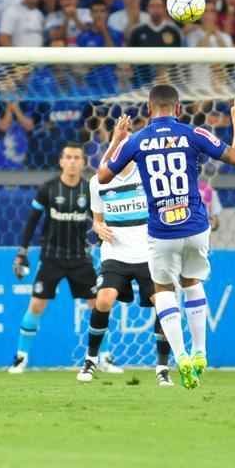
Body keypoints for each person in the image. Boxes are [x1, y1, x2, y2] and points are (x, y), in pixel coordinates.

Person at [97, 85, 235, 389]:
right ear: (178, 109)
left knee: (164, 288)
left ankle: (181, 358)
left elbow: (102, 176)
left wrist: (116, 141)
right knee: (193, 282)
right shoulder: (195, 133)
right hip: (195, 226)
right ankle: (201, 350)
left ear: (149, 110)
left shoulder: (137, 140)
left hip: (161, 230)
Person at [9, 143, 108, 374]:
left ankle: (104, 357)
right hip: (51, 257)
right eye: (68, 157)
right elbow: (32, 222)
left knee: (98, 305)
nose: (73, 161)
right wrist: (22, 251)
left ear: (83, 162)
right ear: (61, 161)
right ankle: (21, 357)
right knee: (36, 304)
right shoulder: (48, 189)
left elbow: (100, 223)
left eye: (77, 157)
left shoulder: (89, 190)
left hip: (80, 258)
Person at [85, 160, 166, 385]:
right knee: (103, 299)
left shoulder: (149, 175)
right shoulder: (98, 181)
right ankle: (90, 360)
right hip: (115, 254)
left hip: (148, 254)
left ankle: (162, 367)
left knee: (164, 304)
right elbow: (97, 221)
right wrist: (99, 227)